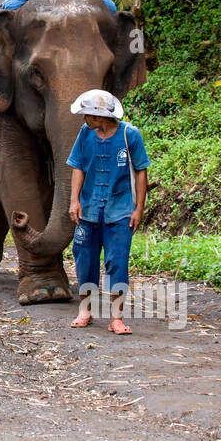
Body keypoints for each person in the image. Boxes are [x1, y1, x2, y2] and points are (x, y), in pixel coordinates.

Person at [65, 89, 150, 335]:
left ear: (98, 117)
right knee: (84, 261)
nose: (84, 120)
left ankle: (116, 318)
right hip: (89, 209)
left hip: (120, 211)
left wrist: (138, 209)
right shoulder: (85, 134)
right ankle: (85, 311)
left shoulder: (129, 135)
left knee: (117, 263)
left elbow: (141, 171)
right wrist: (74, 201)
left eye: (87, 116)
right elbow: (78, 167)